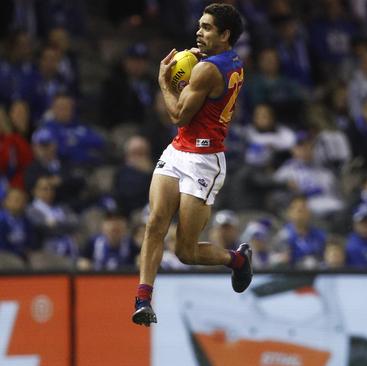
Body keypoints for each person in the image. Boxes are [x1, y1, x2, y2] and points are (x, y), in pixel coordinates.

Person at [132, 3, 251, 327]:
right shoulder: (231, 61)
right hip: (178, 151)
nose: (199, 32)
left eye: (208, 27)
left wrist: (165, 82)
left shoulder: (207, 70)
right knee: (155, 222)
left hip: (204, 162)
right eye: (200, 25)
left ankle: (237, 259)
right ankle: (143, 298)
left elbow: (176, 115)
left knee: (185, 251)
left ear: (225, 35)